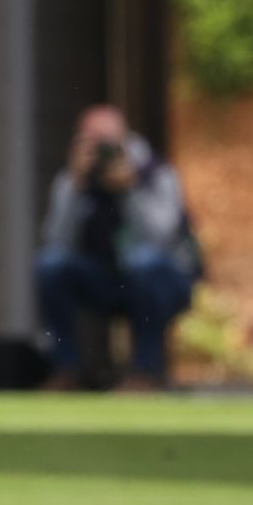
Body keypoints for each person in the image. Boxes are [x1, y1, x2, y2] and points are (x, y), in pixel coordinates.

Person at [37, 105, 197, 392]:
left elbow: (162, 237)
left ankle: (145, 372)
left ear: (124, 138)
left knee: (143, 262)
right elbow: (55, 241)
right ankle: (66, 369)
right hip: (106, 278)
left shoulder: (154, 171)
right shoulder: (73, 179)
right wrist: (75, 186)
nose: (100, 152)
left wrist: (130, 190)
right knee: (50, 266)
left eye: (105, 143)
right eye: (91, 141)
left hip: (162, 280)